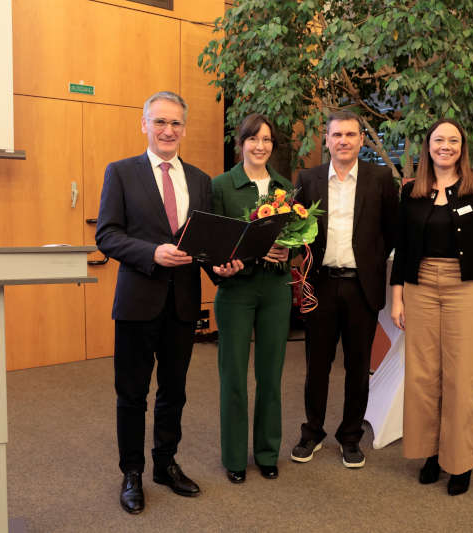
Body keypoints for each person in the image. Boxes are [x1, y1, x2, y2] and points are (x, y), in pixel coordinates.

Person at [96, 91, 241, 515]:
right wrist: (151, 253)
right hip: (138, 300)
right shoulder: (121, 173)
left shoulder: (199, 180)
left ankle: (165, 464)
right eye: (160, 122)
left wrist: (221, 270)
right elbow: (107, 234)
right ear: (144, 125)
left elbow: (206, 245)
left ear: (184, 129)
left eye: (176, 123)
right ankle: (131, 473)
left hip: (183, 304)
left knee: (173, 392)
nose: (168, 130)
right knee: (132, 394)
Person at [390, 118, 473, 496]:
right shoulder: (412, 192)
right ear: (428, 146)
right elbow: (403, 249)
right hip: (420, 286)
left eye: (453, 140)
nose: (445, 146)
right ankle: (429, 454)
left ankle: (459, 463)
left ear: (462, 146)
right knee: (423, 376)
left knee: (464, 376)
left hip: (467, 287)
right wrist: (397, 298)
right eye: (439, 139)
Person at [290, 110, 398, 468]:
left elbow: (393, 230)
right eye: (337, 135)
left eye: (351, 135)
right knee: (316, 365)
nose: (344, 141)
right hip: (320, 285)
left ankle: (350, 437)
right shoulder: (309, 178)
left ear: (361, 140)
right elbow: (295, 228)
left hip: (361, 288)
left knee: (357, 367)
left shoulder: (380, 178)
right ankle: (312, 432)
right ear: (327, 138)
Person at [211, 113, 292, 484]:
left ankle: (266, 452)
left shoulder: (284, 187)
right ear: (240, 143)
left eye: (267, 140)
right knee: (233, 376)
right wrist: (220, 267)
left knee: (271, 376)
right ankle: (234, 458)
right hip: (236, 290)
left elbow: (294, 236)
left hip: (275, 289)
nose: (260, 146)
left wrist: (288, 250)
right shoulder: (222, 185)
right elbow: (211, 243)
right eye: (253, 139)